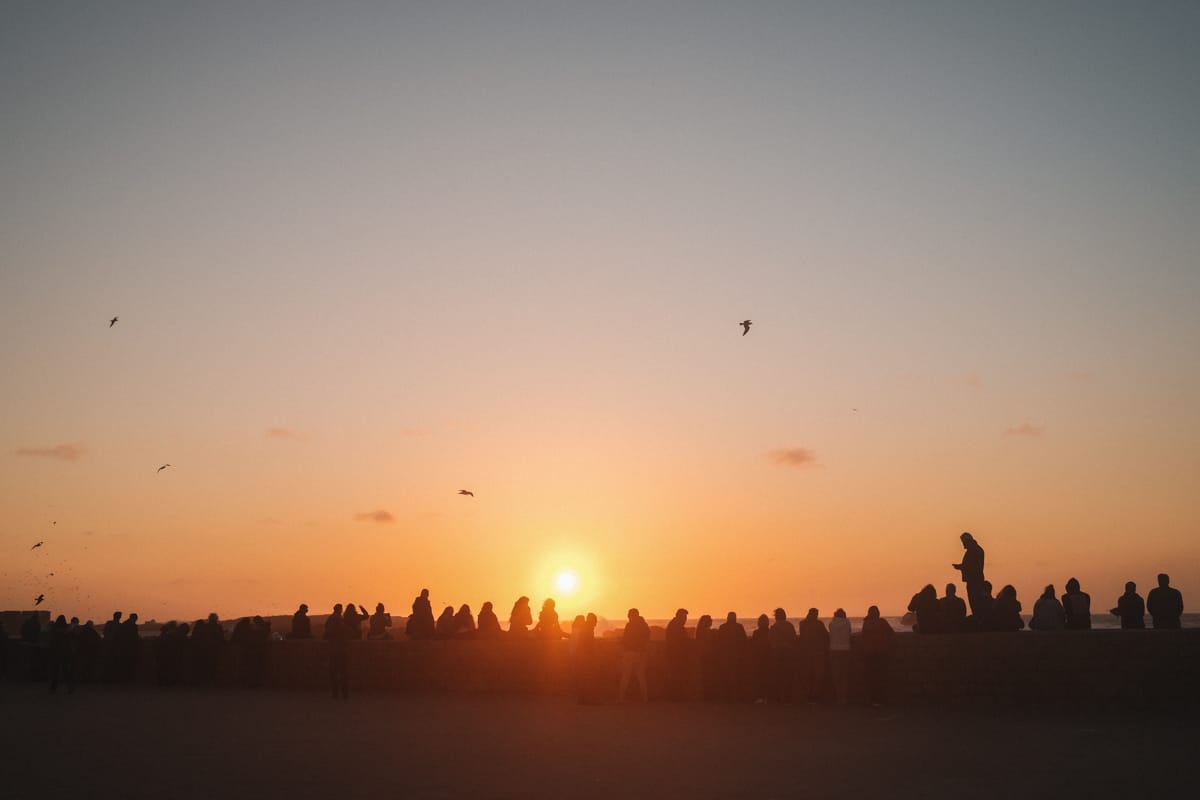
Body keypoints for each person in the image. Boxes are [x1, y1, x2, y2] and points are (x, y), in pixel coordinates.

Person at [860, 606, 894, 706]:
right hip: (882, 653)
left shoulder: (866, 623)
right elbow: (891, 633)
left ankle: (873, 700)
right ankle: (881, 699)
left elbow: (863, 637)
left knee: (871, 677)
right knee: (881, 677)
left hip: (869, 654)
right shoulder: (882, 622)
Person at [797, 608, 829, 703]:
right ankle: (815, 695)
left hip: (805, 653)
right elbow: (826, 636)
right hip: (818, 653)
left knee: (807, 674)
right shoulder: (819, 624)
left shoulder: (802, 623)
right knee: (818, 675)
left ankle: (807, 694)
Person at [618, 608, 650, 702]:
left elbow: (626, 639)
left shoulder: (630, 625)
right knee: (641, 677)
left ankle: (621, 698)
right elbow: (647, 636)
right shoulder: (643, 625)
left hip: (629, 653)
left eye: (629, 615)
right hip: (640, 653)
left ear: (632, 616)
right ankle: (645, 698)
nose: (628, 617)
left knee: (625, 677)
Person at [952, 531, 987, 617]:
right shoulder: (977, 550)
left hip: (974, 581)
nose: (963, 544)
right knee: (976, 603)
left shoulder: (973, 551)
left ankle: (978, 621)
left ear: (967, 541)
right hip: (976, 580)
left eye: (963, 542)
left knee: (975, 603)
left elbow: (971, 567)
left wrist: (960, 567)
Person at [716, 611, 747, 702]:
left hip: (725, 656)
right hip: (735, 656)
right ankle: (734, 696)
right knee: (735, 676)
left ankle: (725, 696)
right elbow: (744, 641)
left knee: (725, 676)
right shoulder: (739, 627)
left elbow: (719, 642)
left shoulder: (722, 627)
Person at [768, 608, 797, 704]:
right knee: (788, 675)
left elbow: (771, 642)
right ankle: (788, 697)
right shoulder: (790, 626)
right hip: (788, 653)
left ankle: (780, 697)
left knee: (778, 676)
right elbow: (794, 639)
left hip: (777, 654)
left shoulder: (774, 627)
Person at [573, 612, 599, 704]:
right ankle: (589, 699)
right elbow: (588, 645)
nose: (596, 623)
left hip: (581, 656)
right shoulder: (589, 629)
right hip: (586, 657)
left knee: (583, 678)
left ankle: (582, 699)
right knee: (588, 678)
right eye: (595, 621)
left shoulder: (585, 628)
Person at [323, 604, 348, 700]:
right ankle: (344, 693)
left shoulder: (330, 619)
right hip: (341, 650)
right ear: (339, 610)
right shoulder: (339, 619)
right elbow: (345, 631)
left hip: (332, 650)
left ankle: (335, 694)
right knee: (343, 672)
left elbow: (326, 631)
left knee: (333, 673)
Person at [664, 608, 690, 700]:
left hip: (674, 653)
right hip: (675, 654)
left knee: (675, 674)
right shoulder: (676, 626)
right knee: (676, 674)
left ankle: (675, 695)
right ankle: (675, 695)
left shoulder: (674, 624)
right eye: (684, 617)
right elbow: (680, 640)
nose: (685, 619)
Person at [828, 609, 851, 706]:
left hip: (834, 650)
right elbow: (849, 634)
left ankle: (838, 696)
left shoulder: (831, 624)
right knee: (844, 675)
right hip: (845, 650)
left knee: (836, 675)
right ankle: (844, 697)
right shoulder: (847, 623)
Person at [47, 615, 76, 694]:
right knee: (66, 671)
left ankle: (53, 688)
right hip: (64, 653)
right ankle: (70, 687)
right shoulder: (67, 630)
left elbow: (51, 640)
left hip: (56, 653)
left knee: (55, 671)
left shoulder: (54, 630)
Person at [749, 614, 771, 704]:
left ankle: (760, 697)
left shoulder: (756, 633)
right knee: (767, 678)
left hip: (759, 658)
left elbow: (753, 645)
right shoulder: (770, 632)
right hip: (768, 657)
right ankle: (767, 697)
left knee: (759, 678)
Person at [695, 614, 717, 700]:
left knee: (705, 675)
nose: (711, 621)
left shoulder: (700, 631)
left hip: (703, 656)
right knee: (708, 675)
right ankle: (708, 694)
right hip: (707, 656)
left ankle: (705, 694)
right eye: (710, 620)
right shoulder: (706, 632)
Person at [118, 612, 140, 681]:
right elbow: (135, 637)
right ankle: (128, 678)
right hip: (130, 647)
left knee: (125, 664)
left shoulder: (124, 624)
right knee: (129, 664)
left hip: (124, 647)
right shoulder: (132, 626)